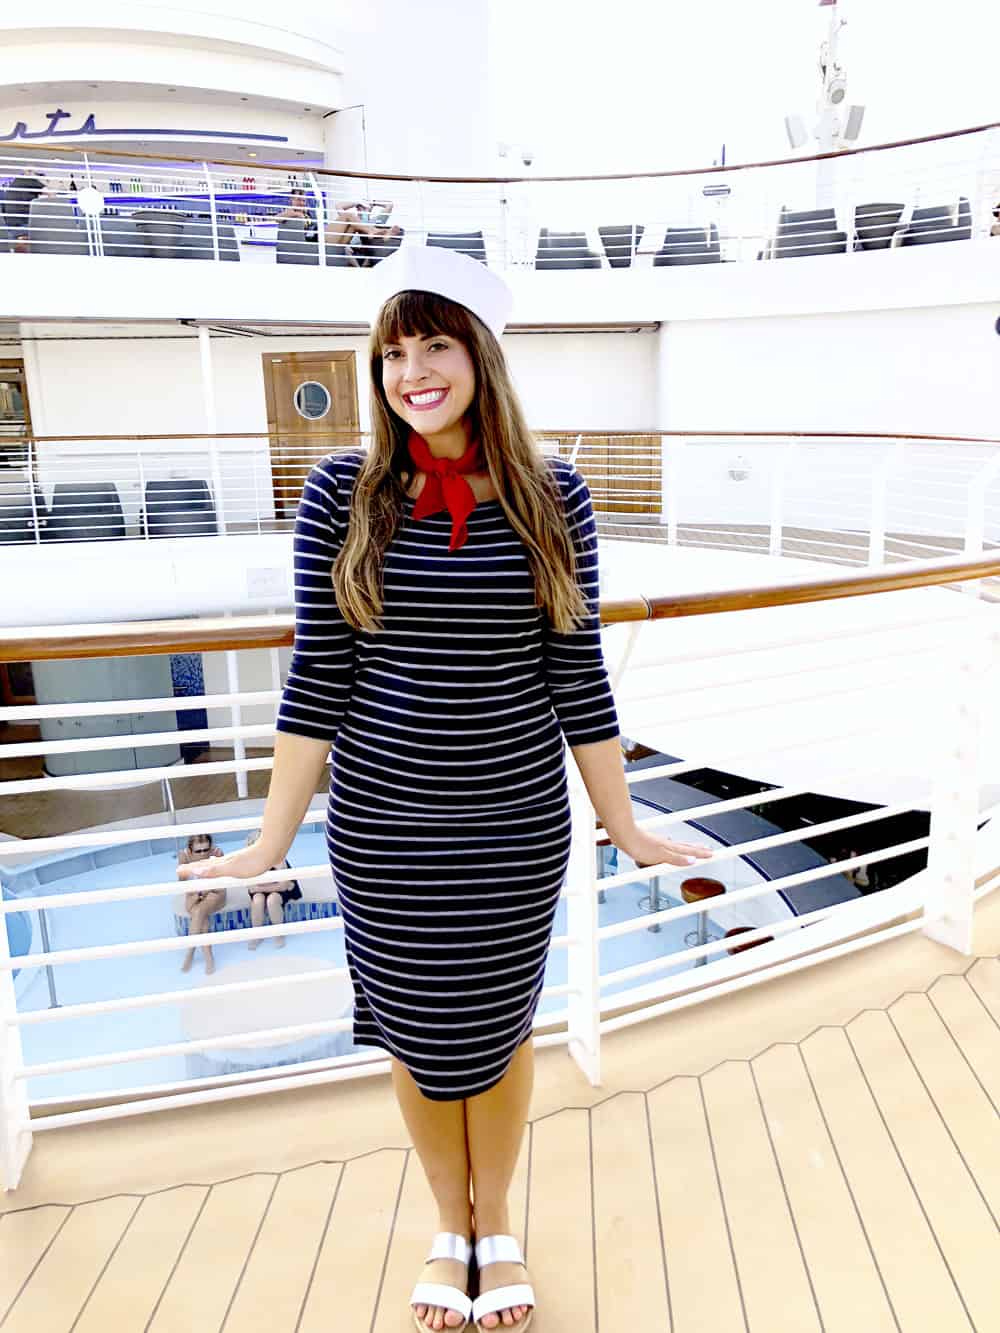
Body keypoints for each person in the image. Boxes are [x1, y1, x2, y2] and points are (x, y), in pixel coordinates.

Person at [179, 245, 712, 1331]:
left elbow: (576, 668)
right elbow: (318, 674)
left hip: (513, 823)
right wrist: (268, 842)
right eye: (392, 353)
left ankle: (496, 1221)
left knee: (499, 1030)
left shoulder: (553, 491)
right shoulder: (343, 492)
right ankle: (447, 1225)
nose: (413, 372)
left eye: (435, 346)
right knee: (420, 1034)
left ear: (479, 356)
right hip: (382, 829)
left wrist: (623, 821)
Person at [176, 833, 226, 974]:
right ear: (190, 850)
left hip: (214, 892)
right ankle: (208, 957)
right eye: (199, 851)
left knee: (198, 912)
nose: (203, 854)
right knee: (201, 916)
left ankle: (190, 954)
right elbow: (182, 884)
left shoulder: (216, 854)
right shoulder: (184, 857)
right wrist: (197, 892)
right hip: (193, 894)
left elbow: (221, 884)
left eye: (206, 849)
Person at [243, 831, 301, 948]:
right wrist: (263, 887)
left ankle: (279, 934)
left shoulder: (277, 857)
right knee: (258, 900)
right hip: (270, 887)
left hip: (283, 890)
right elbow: (251, 888)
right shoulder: (248, 861)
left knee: (272, 900)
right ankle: (257, 935)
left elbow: (284, 886)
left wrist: (261, 887)